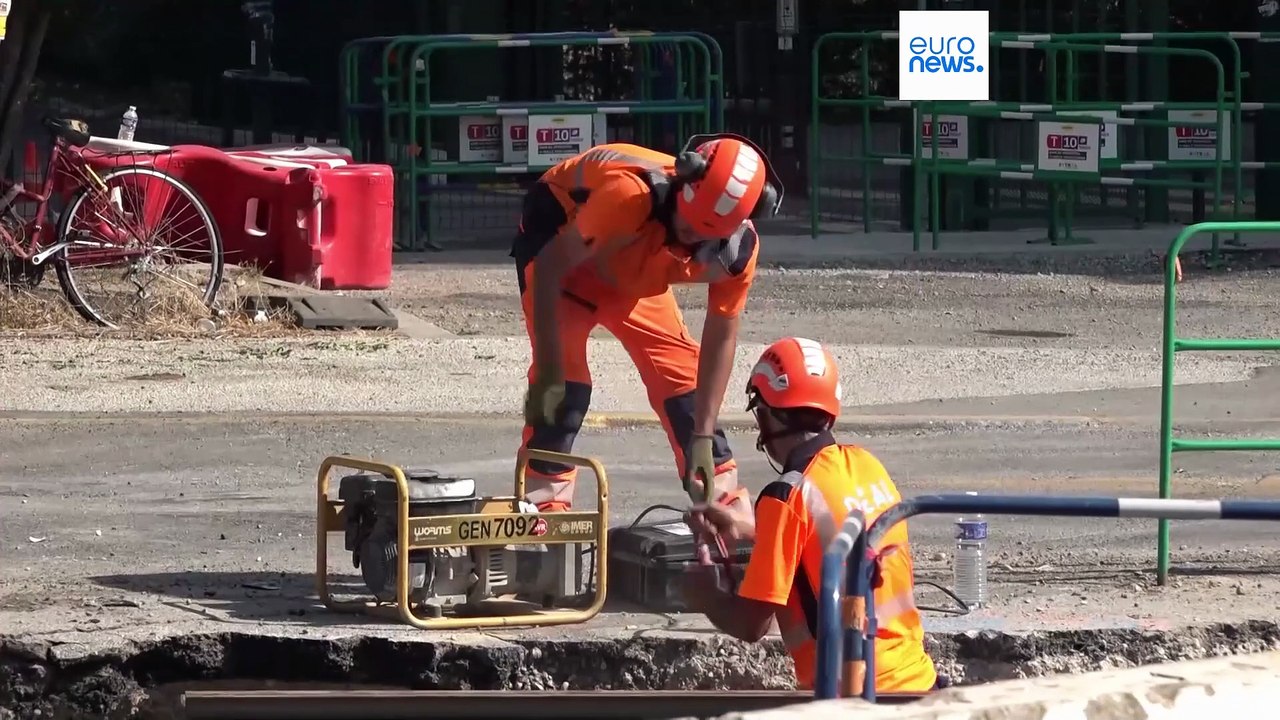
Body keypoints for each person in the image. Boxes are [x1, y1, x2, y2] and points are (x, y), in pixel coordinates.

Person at [510, 134, 784, 515]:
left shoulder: (737, 252)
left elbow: (721, 334)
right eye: (686, 229)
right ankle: (542, 506)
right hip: (564, 261)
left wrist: (702, 437)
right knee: (564, 389)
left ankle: (722, 508)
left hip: (633, 270)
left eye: (702, 239)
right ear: (683, 182)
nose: (690, 241)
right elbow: (553, 267)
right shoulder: (627, 195)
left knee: (683, 382)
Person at [681, 336, 939, 695]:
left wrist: (704, 594)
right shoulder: (867, 466)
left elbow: (752, 624)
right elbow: (828, 542)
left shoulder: (786, 495)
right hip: (917, 683)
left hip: (851, 692)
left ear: (768, 415)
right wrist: (748, 530)